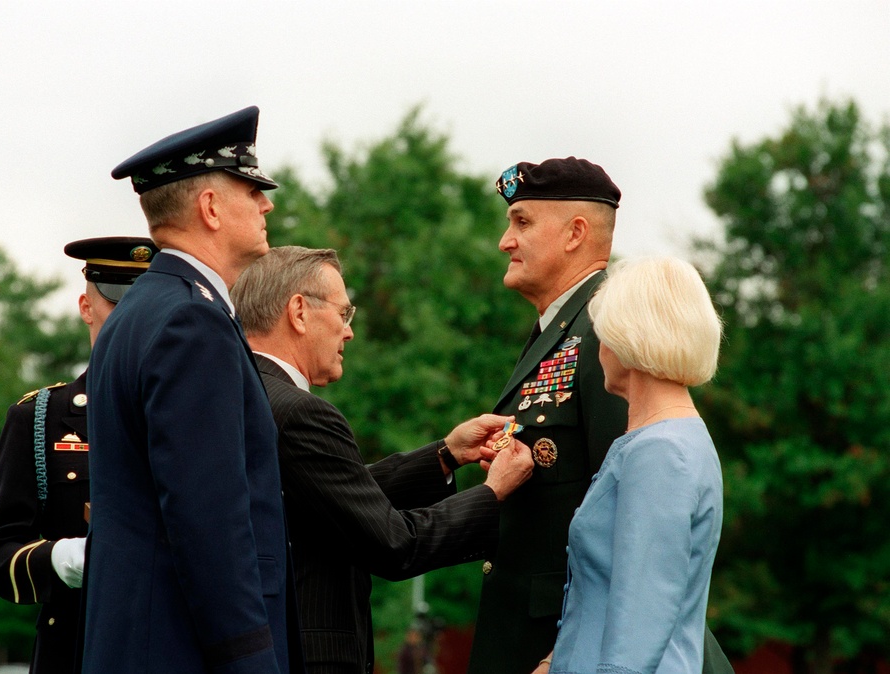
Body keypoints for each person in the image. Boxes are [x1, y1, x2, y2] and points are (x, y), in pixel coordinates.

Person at [468, 158, 732, 674]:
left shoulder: (608, 327)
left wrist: (556, 655)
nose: (505, 241)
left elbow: (642, 550)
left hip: (582, 648)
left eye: (522, 222)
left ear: (576, 233)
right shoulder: (559, 330)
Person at [230, 246, 534, 674]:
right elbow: (396, 545)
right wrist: (492, 492)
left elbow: (332, 497)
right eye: (343, 313)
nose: (349, 332)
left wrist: (445, 455)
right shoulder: (301, 413)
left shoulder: (237, 394)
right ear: (298, 312)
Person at [82, 106, 300, 674]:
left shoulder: (140, 311)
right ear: (210, 208)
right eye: (251, 190)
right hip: (185, 650)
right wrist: (249, 659)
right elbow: (209, 520)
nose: (267, 205)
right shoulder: (192, 321)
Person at [0, 235, 157, 674]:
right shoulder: (40, 418)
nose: (131, 319)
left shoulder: (196, 413)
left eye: (146, 307)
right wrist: (64, 558)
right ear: (86, 307)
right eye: (117, 304)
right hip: (75, 646)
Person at [539, 256, 724, 673]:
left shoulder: (661, 452)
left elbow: (638, 630)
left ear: (628, 340)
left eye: (602, 335)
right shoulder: (674, 439)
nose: (599, 348)